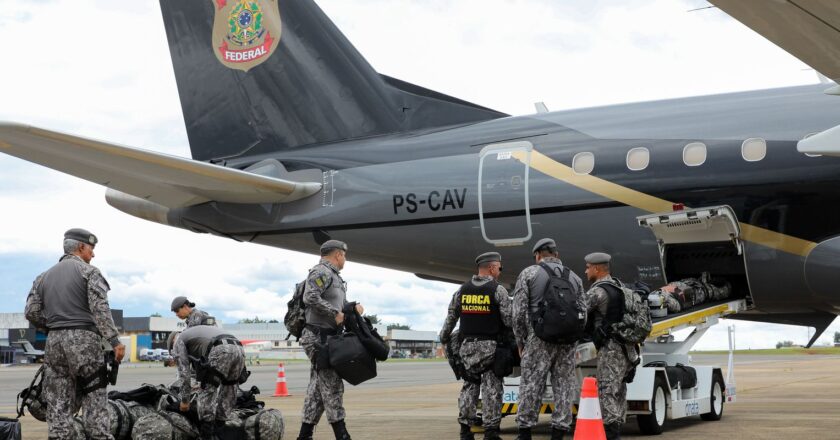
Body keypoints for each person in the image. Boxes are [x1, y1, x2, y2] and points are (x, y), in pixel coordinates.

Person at [24, 228, 125, 440]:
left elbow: (31, 312)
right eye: (91, 249)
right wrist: (115, 341)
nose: (93, 254)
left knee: (58, 403)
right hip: (84, 340)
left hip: (54, 343)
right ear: (80, 247)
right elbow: (100, 310)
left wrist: (52, 328)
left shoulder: (42, 277)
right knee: (94, 397)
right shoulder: (89, 272)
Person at [512, 238, 585, 440]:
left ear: (537, 256)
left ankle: (525, 432)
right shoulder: (575, 278)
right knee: (564, 385)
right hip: (567, 342)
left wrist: (521, 342)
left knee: (531, 384)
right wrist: (573, 338)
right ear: (557, 255)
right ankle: (559, 432)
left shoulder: (529, 274)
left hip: (538, 339)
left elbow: (517, 313)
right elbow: (583, 313)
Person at [440, 252, 512, 440]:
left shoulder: (462, 290)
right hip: (490, 348)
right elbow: (509, 320)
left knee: (469, 387)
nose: (500, 271)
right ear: (492, 268)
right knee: (492, 390)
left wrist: (444, 338)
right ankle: (491, 432)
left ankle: (465, 431)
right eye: (499, 267)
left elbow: (451, 318)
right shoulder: (498, 290)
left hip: (467, 349)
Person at [297, 240, 364, 440]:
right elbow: (310, 297)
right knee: (332, 384)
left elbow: (338, 304)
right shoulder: (321, 272)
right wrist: (335, 313)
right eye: (344, 255)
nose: (345, 259)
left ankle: (304, 435)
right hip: (317, 337)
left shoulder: (335, 277)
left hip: (328, 337)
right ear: (338, 255)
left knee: (318, 389)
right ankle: (342, 435)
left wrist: (352, 308)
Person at [583, 252, 638, 440]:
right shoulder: (621, 288)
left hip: (610, 349)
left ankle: (612, 436)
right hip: (627, 348)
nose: (586, 271)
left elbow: (579, 312)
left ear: (597, 269)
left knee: (607, 392)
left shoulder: (597, 292)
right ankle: (617, 431)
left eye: (588, 267)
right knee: (619, 391)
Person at [167, 325, 246, 438]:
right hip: (239, 347)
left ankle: (206, 434)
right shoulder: (193, 336)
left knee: (208, 389)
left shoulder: (178, 342)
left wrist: (185, 401)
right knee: (229, 388)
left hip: (220, 349)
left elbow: (184, 374)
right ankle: (220, 430)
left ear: (172, 344)